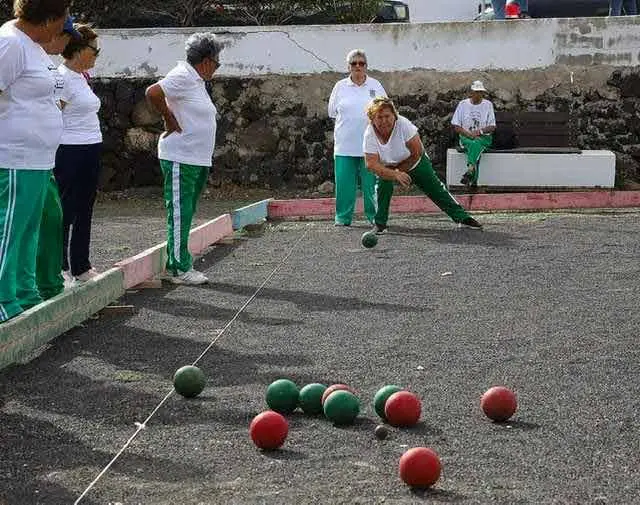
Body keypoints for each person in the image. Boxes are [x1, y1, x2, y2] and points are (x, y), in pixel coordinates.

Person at [0, 0, 70, 322]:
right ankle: (2, 300)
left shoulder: (34, 47)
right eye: (63, 18)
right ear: (47, 19)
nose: (65, 26)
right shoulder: (11, 44)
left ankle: (25, 295)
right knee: (9, 231)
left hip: (38, 158)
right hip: (13, 156)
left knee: (28, 231)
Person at [145, 33, 223, 285]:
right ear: (207, 60)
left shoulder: (196, 80)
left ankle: (178, 261)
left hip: (195, 157)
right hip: (180, 156)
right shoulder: (182, 76)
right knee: (179, 212)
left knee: (186, 211)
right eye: (217, 62)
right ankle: (178, 268)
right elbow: (153, 92)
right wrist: (168, 118)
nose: (217, 67)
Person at [363, 97, 482, 233]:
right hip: (388, 167)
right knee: (382, 188)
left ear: (394, 115)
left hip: (415, 162)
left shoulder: (404, 125)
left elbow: (417, 153)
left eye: (387, 116)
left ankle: (462, 217)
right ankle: (379, 224)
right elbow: (371, 164)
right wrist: (395, 174)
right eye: (379, 117)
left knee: (435, 188)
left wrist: (399, 171)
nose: (384, 121)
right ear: (372, 119)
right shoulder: (369, 134)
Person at [52, 23, 103, 285]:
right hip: (69, 150)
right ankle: (59, 267)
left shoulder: (82, 78)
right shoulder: (62, 78)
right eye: (95, 50)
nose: (97, 55)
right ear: (80, 50)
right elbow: (52, 116)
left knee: (85, 207)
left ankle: (81, 265)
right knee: (66, 209)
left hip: (90, 147)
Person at [37, 16, 82, 300]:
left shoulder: (45, 61)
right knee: (28, 225)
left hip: (43, 156)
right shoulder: (17, 49)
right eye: (67, 37)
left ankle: (48, 282)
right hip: (23, 157)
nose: (67, 45)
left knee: (52, 217)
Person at [328, 49, 387, 226]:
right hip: (345, 146)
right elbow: (332, 112)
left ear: (366, 66)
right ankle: (343, 218)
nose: (358, 66)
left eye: (361, 63)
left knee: (371, 186)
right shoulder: (339, 87)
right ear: (348, 67)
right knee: (344, 185)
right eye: (354, 63)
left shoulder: (376, 86)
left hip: (371, 146)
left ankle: (375, 218)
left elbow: (386, 112)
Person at [451, 80, 496, 188]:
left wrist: (479, 132)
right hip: (466, 137)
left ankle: (470, 170)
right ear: (471, 92)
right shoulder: (463, 104)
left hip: (483, 137)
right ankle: (472, 176)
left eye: (480, 92)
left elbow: (492, 126)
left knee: (475, 142)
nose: (478, 94)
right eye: (476, 92)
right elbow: (456, 126)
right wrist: (467, 134)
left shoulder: (488, 105)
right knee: (474, 143)